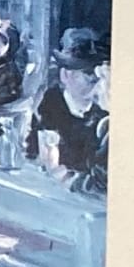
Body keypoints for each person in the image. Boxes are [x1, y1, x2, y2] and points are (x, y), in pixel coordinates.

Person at [30, 27, 109, 192]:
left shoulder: (102, 120)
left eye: (99, 77)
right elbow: (35, 157)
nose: (97, 83)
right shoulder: (48, 106)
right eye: (89, 76)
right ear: (65, 75)